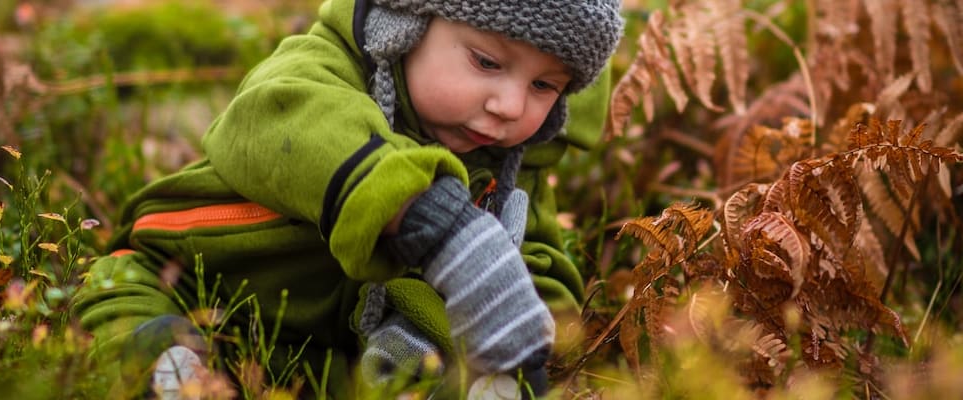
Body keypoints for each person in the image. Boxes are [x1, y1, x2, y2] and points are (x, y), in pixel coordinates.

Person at [71, 0, 623, 398]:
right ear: (403, 23)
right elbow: (275, 122)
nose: (509, 105)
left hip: (326, 351)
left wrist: (517, 350)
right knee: (126, 302)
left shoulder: (512, 160)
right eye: (487, 62)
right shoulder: (322, 70)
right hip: (191, 274)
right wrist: (433, 221)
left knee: (416, 372)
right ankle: (165, 366)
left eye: (544, 86)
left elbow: (537, 267)